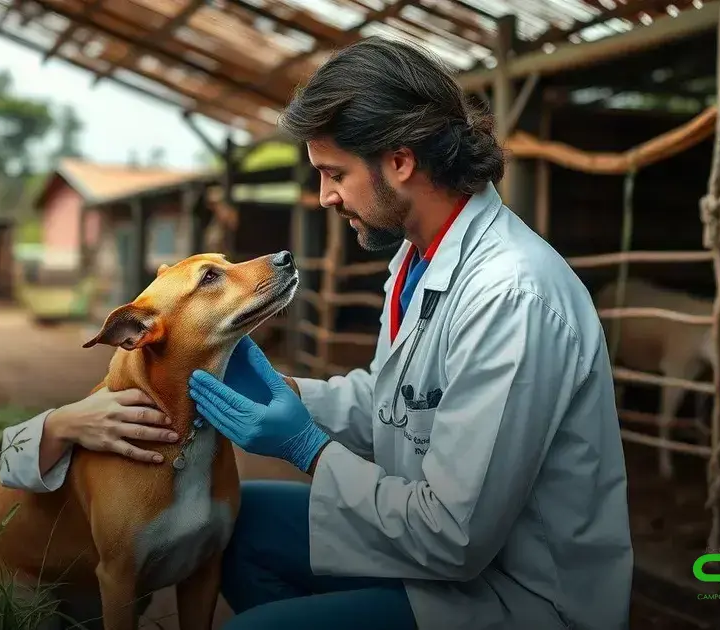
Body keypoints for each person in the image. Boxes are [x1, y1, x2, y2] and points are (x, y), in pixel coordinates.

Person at [184, 37, 634, 629]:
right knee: (241, 525)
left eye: (335, 173)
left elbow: (455, 535)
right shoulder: (419, 260)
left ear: (400, 161)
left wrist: (308, 448)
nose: (325, 197)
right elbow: (400, 405)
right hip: (441, 555)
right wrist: (291, 395)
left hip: (518, 595)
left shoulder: (510, 298)